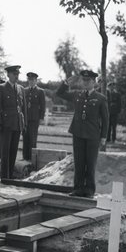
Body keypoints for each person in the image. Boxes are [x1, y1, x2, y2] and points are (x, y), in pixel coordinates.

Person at [56, 70, 108, 198]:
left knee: (90, 164)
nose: (85, 82)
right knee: (79, 163)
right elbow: (60, 93)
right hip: (78, 133)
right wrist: (65, 83)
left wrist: (103, 137)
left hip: (92, 135)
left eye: (88, 80)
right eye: (84, 80)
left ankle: (89, 190)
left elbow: (106, 119)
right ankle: (78, 189)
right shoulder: (77, 95)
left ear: (94, 82)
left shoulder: (100, 98)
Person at [0, 65, 27, 179]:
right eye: (14, 74)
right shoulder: (1, 88)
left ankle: (10, 175)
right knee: (5, 152)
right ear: (8, 75)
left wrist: (24, 124)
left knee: (13, 151)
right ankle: (4, 177)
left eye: (17, 74)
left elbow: (23, 108)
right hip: (5, 124)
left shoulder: (20, 89)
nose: (16, 76)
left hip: (17, 124)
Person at [22, 72, 46, 160]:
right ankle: (25, 157)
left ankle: (32, 158)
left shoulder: (40, 91)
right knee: (25, 138)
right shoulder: (24, 90)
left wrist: (41, 118)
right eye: (29, 80)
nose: (31, 82)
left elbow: (43, 105)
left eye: (33, 80)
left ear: (36, 81)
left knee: (32, 139)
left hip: (34, 119)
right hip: (25, 119)